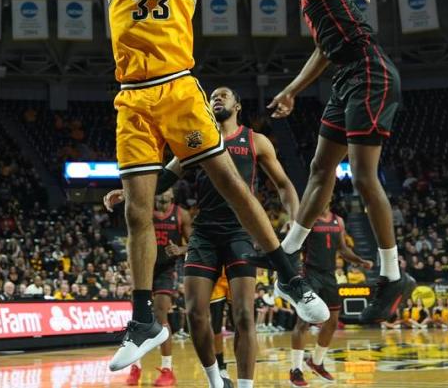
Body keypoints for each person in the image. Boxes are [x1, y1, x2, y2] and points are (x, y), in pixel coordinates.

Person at [30, 0, 328, 376]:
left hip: (177, 89)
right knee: (139, 213)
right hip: (131, 100)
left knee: (232, 185)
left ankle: (288, 275)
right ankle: (143, 319)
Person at [106, 85, 303, 388]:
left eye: (223, 95)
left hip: (240, 233)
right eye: (212, 97)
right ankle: (216, 381)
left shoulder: (256, 140)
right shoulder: (196, 139)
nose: (216, 99)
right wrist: (131, 192)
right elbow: (166, 177)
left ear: (238, 104)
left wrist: (295, 219)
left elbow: (283, 184)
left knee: (244, 316)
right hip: (204, 234)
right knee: (196, 315)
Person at [267, 0, 414, 322]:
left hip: (370, 71)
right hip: (346, 77)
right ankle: (291, 250)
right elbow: (323, 50)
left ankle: (392, 273)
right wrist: (292, 90)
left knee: (364, 176)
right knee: (319, 168)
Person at [289, 205, 372, 387]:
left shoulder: (338, 220)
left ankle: (316, 362)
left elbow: (342, 249)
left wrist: (360, 261)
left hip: (329, 276)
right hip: (309, 275)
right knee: (303, 321)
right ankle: (295, 369)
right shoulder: (308, 217)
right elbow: (293, 245)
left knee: (332, 322)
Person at [124, 188, 191, 386]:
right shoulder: (144, 209)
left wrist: (180, 249)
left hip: (165, 271)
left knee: (162, 317)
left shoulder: (181, 214)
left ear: (173, 194)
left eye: (166, 190)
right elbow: (133, 237)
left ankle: (167, 370)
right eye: (159, 191)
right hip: (143, 267)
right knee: (138, 318)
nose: (162, 194)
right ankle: (135, 366)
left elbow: (194, 242)